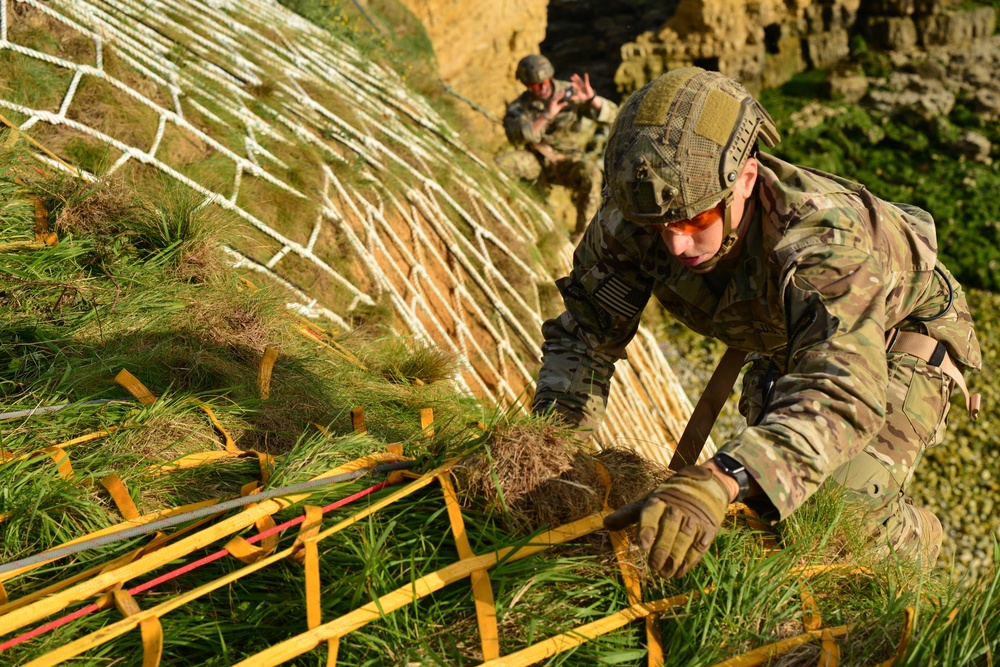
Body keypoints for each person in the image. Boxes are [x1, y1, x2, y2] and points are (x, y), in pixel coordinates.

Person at [531, 67, 982, 577]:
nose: (675, 244)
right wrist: (553, 456)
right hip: (782, 331)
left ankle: (913, 537)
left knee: (832, 504)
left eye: (695, 221)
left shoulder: (821, 244)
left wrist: (723, 476)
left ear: (745, 179)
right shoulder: (639, 211)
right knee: (771, 500)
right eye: (657, 227)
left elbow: (843, 389)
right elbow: (586, 337)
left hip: (898, 333)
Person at [497, 54, 619, 237]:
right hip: (536, 159)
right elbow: (518, 137)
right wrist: (547, 114)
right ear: (526, 85)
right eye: (536, 86)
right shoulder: (519, 107)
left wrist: (592, 98)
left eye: (545, 82)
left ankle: (582, 237)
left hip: (567, 160)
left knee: (591, 173)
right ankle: (507, 214)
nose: (543, 88)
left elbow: (612, 116)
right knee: (501, 165)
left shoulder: (570, 93)